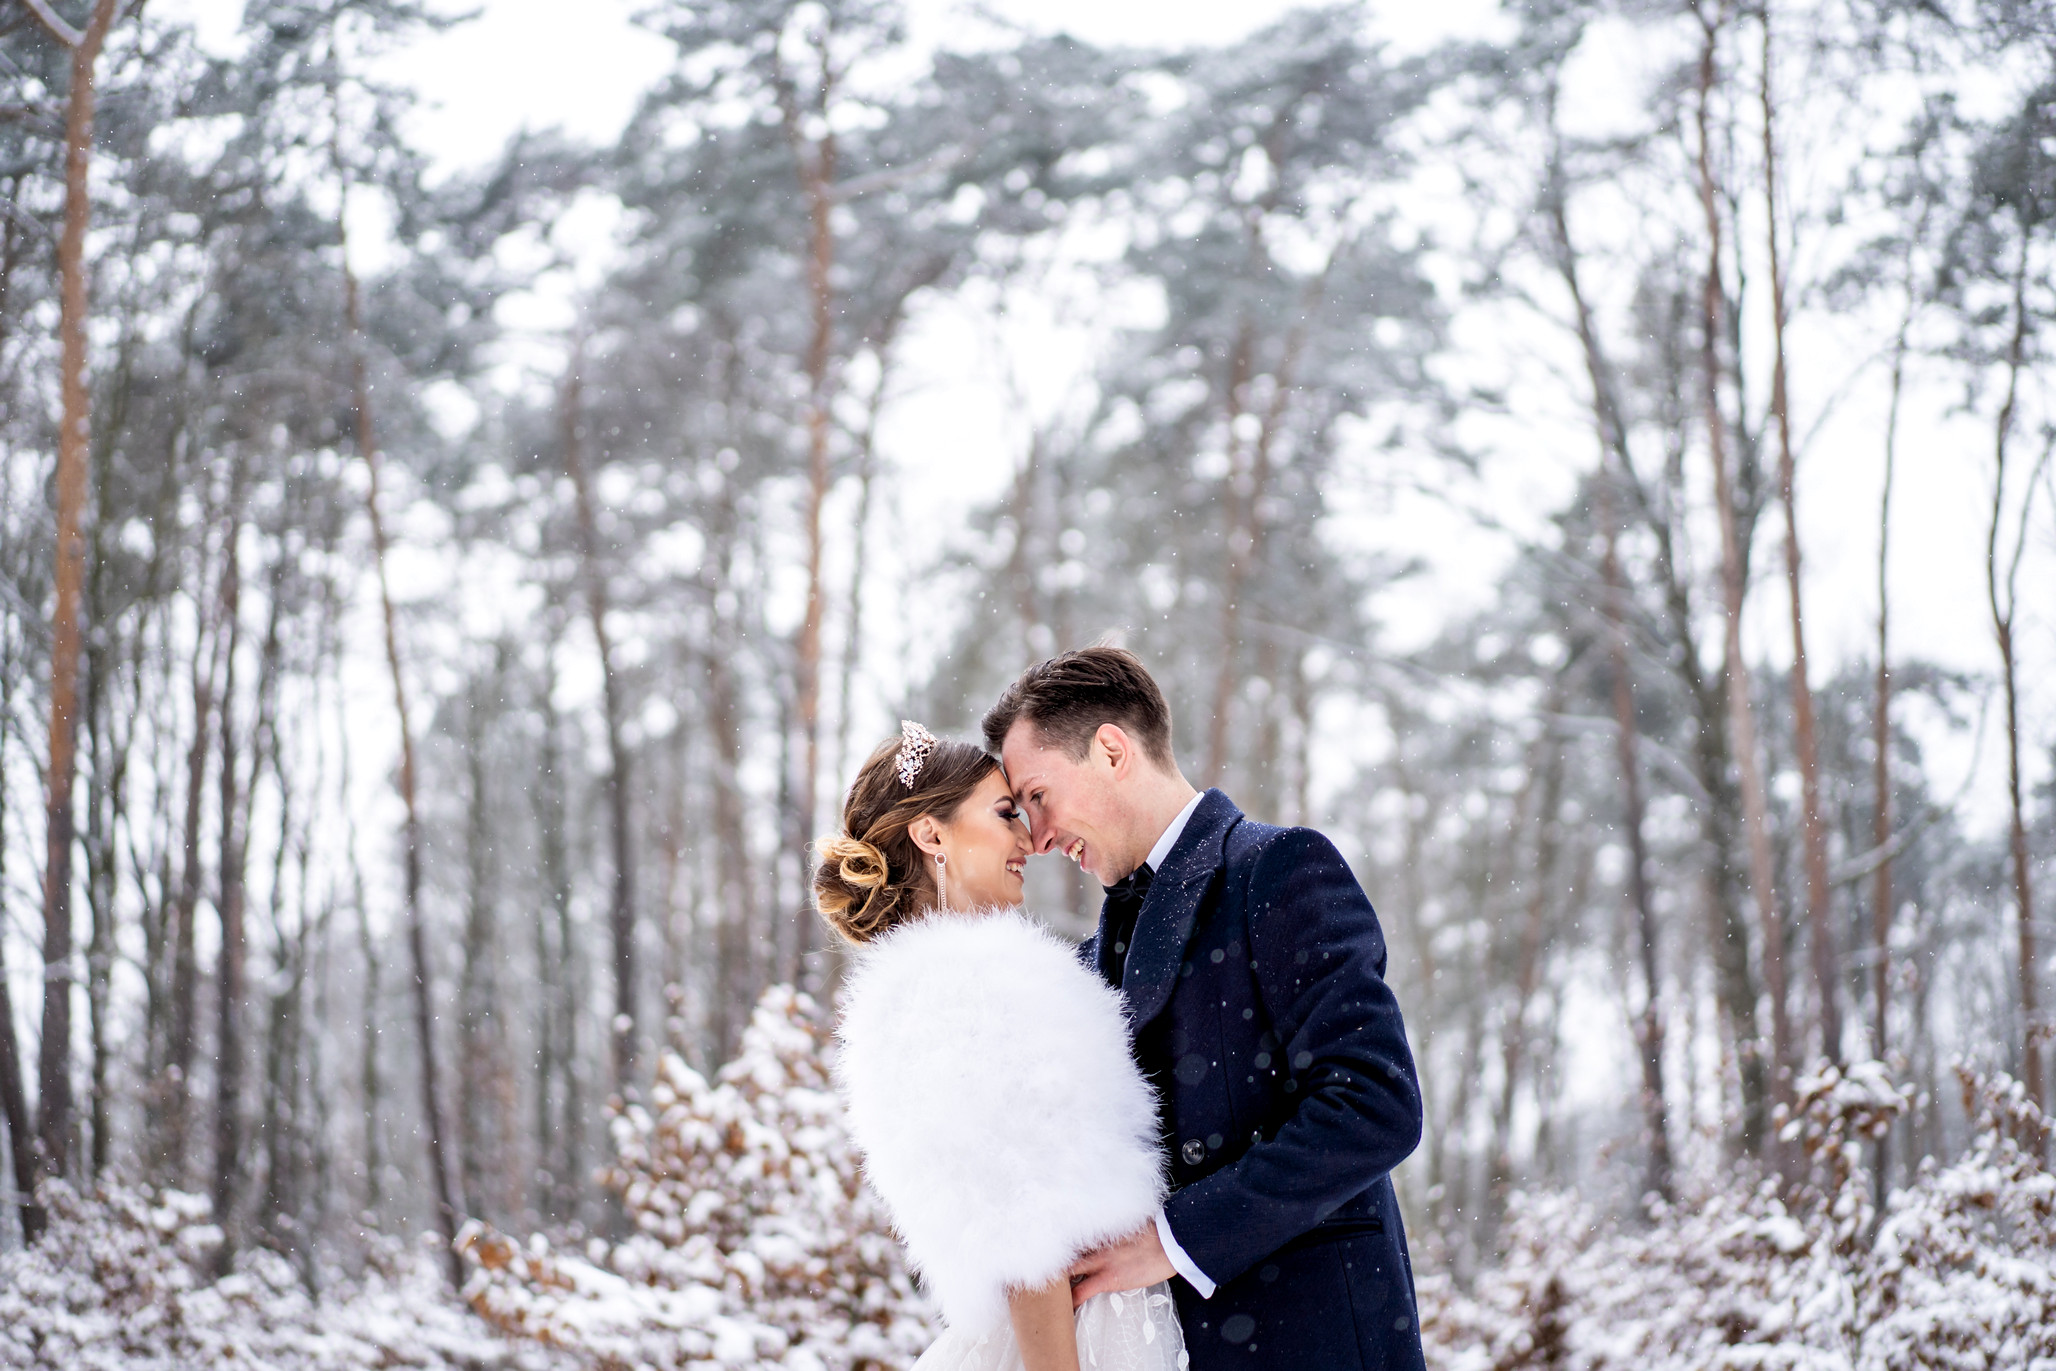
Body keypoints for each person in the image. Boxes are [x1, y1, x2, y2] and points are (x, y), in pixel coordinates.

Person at [984, 647, 1426, 1371]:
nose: (1036, 835)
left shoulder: (1278, 869)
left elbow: (1375, 1103)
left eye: (1038, 794)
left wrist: (1175, 1238)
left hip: (1308, 1343)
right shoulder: (1091, 959)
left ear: (1112, 750)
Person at [820, 721, 1189, 1371]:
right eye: (1004, 813)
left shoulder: (914, 992)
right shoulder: (980, 984)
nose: (1029, 839)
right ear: (931, 834)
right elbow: (1025, 1232)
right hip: (1077, 1337)